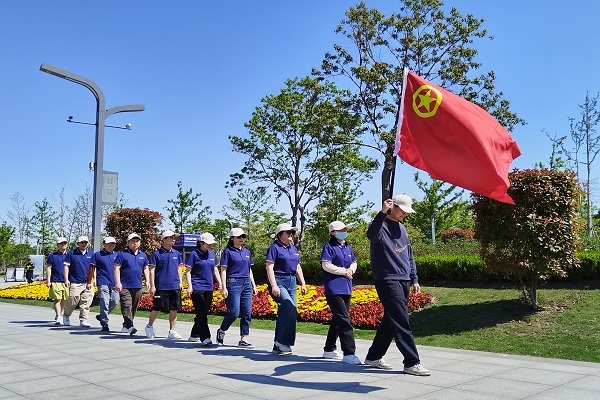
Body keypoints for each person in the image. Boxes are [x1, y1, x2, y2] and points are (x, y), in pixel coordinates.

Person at [364, 195, 430, 376]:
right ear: (393, 207)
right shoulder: (380, 225)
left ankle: (373, 356)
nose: (405, 214)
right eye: (403, 211)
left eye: (407, 212)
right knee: (401, 320)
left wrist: (414, 278)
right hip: (387, 279)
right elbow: (372, 235)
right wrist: (382, 212)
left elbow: (409, 255)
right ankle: (411, 362)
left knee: (390, 319)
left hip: (404, 279)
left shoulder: (402, 228)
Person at [320, 220, 362, 365]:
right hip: (334, 288)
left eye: (345, 229)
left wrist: (350, 270)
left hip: (346, 287)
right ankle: (349, 353)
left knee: (338, 319)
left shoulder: (347, 247)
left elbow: (354, 262)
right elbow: (326, 265)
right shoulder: (328, 247)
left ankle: (329, 349)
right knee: (344, 320)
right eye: (341, 230)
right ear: (332, 233)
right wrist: (343, 271)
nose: (344, 232)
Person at [266, 223, 307, 355]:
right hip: (279, 281)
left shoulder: (293, 248)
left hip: (291, 281)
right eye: (288, 232)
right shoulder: (274, 248)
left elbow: (298, 267)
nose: (291, 235)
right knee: (289, 309)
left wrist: (303, 283)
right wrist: (274, 285)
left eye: (292, 233)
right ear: (280, 234)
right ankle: (282, 342)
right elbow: (269, 267)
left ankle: (279, 344)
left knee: (289, 312)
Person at [216, 227, 257, 348]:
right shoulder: (227, 252)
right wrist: (224, 287)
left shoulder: (247, 252)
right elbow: (223, 270)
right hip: (233, 282)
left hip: (246, 283)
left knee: (247, 312)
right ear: (232, 238)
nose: (241, 239)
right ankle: (222, 330)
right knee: (234, 312)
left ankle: (244, 338)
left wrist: (253, 284)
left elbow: (249, 270)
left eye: (243, 236)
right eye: (238, 237)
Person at [145, 230, 185, 340]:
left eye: (174, 238)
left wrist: (180, 282)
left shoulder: (177, 254)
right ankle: (149, 326)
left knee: (174, 309)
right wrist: (152, 285)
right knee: (157, 308)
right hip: (161, 286)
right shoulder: (156, 254)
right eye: (171, 237)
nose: (173, 240)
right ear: (164, 240)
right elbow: (152, 270)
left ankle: (172, 331)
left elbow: (179, 268)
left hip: (174, 285)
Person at [185, 232, 222, 345]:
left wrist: (220, 283)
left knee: (203, 312)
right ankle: (205, 337)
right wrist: (190, 286)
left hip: (208, 287)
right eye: (208, 243)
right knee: (201, 312)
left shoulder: (212, 255)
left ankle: (194, 334)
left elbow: (215, 270)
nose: (210, 245)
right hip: (197, 287)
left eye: (211, 243)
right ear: (201, 243)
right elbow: (188, 271)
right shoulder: (194, 254)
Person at [114, 232, 150, 335]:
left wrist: (148, 281)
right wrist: (118, 282)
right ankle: (130, 326)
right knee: (127, 305)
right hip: (125, 285)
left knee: (133, 307)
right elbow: (116, 268)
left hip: (137, 285)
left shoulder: (143, 255)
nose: (135, 243)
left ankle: (126, 325)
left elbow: (145, 268)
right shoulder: (122, 254)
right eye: (132, 241)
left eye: (137, 241)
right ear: (128, 242)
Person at [88, 236, 119, 331]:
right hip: (103, 281)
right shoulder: (97, 255)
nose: (111, 245)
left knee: (115, 301)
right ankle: (104, 322)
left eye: (113, 243)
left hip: (114, 282)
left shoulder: (118, 255)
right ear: (104, 244)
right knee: (104, 302)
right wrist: (90, 280)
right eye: (109, 243)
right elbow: (92, 268)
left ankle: (101, 316)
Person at [63, 235, 94, 327]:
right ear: (78, 244)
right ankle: (66, 315)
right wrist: (66, 279)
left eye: (85, 242)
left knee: (86, 302)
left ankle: (83, 320)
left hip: (88, 282)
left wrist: (94, 279)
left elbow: (94, 268)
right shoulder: (71, 253)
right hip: (75, 282)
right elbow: (66, 266)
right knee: (73, 300)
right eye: (82, 242)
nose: (84, 244)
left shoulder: (91, 254)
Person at [46, 237, 69, 325]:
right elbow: (49, 268)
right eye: (61, 243)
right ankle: (59, 316)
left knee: (64, 299)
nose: (63, 245)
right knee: (57, 299)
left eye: (65, 243)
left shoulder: (70, 255)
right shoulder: (53, 255)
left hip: (66, 281)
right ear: (57, 245)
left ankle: (59, 313)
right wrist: (48, 280)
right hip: (56, 280)